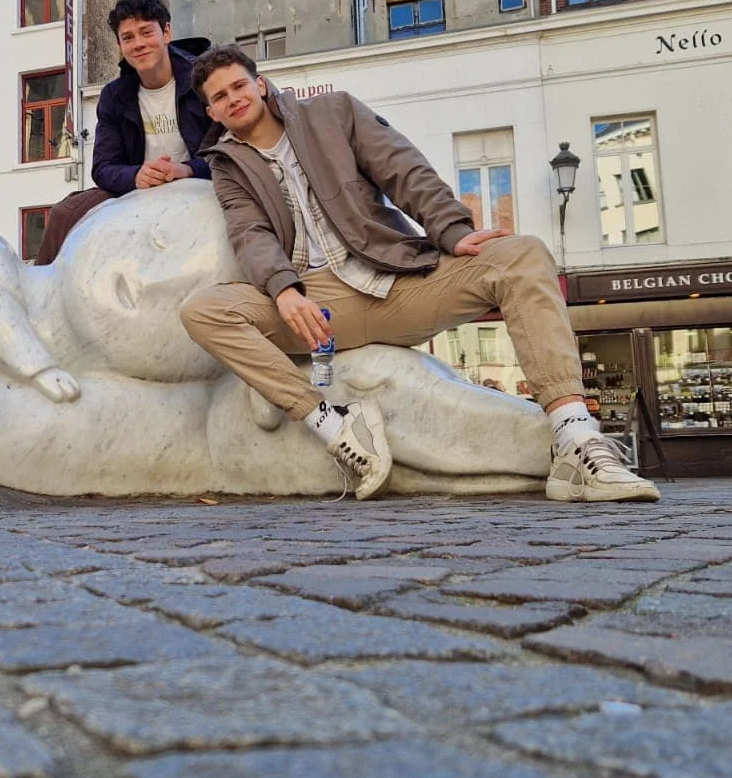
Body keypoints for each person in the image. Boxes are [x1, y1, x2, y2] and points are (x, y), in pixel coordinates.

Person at [179, 44, 660, 504]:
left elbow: (403, 170)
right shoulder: (227, 166)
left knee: (523, 254)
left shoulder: (333, 112)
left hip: (394, 280)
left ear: (260, 85)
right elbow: (249, 233)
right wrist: (283, 289)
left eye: (238, 86)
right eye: (219, 97)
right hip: (319, 306)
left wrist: (451, 231)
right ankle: (337, 427)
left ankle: (574, 440)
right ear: (212, 113)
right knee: (203, 311)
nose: (233, 99)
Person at [33, 0, 212, 265]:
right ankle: (40, 295)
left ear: (166, 33)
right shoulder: (115, 95)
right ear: (120, 46)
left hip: (199, 179)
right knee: (64, 213)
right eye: (128, 38)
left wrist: (188, 169)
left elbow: (231, 148)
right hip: (139, 187)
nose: (138, 44)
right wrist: (137, 175)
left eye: (146, 32)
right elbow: (103, 167)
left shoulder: (204, 79)